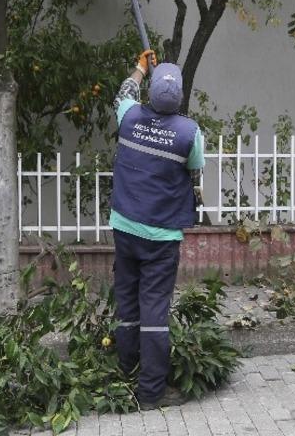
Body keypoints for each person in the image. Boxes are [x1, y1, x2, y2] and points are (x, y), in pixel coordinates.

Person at [110, 49, 205, 410]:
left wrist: (139, 68)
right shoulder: (190, 133)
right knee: (153, 310)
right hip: (162, 236)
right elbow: (195, 169)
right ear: (180, 96)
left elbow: (122, 95)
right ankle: (151, 392)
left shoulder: (129, 116)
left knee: (127, 303)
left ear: (149, 93)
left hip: (124, 227)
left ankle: (125, 373)